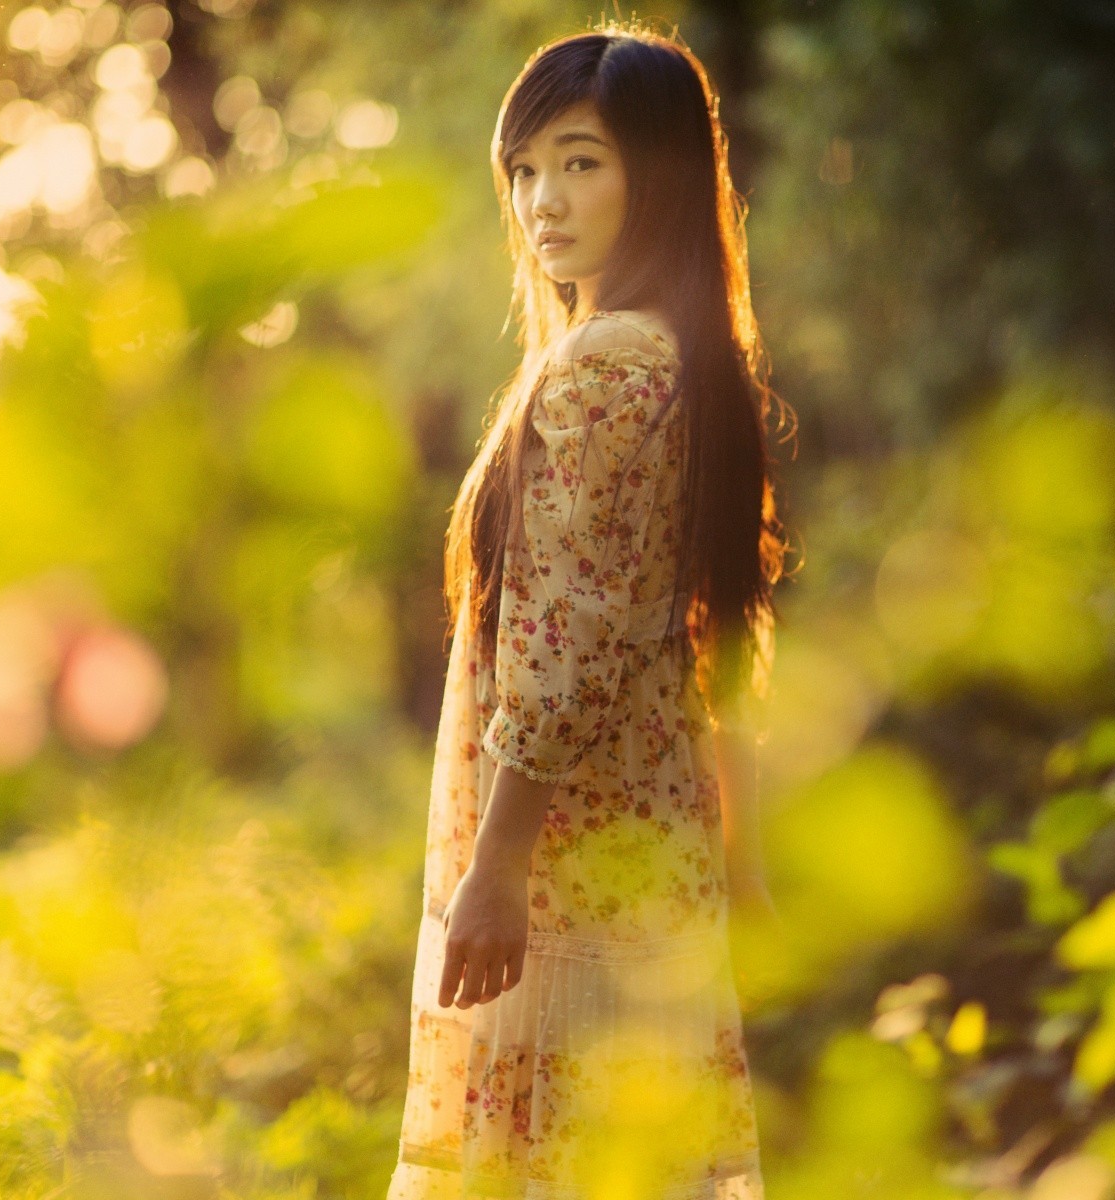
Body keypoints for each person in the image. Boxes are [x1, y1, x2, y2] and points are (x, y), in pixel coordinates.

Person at [387, 22, 791, 1200]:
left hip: (575, 860)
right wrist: (743, 856)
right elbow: (724, 634)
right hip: (658, 848)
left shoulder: (605, 365)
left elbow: (556, 645)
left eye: (581, 161)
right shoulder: (691, 355)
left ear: (656, 174)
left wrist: (499, 861)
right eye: (523, 170)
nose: (541, 202)